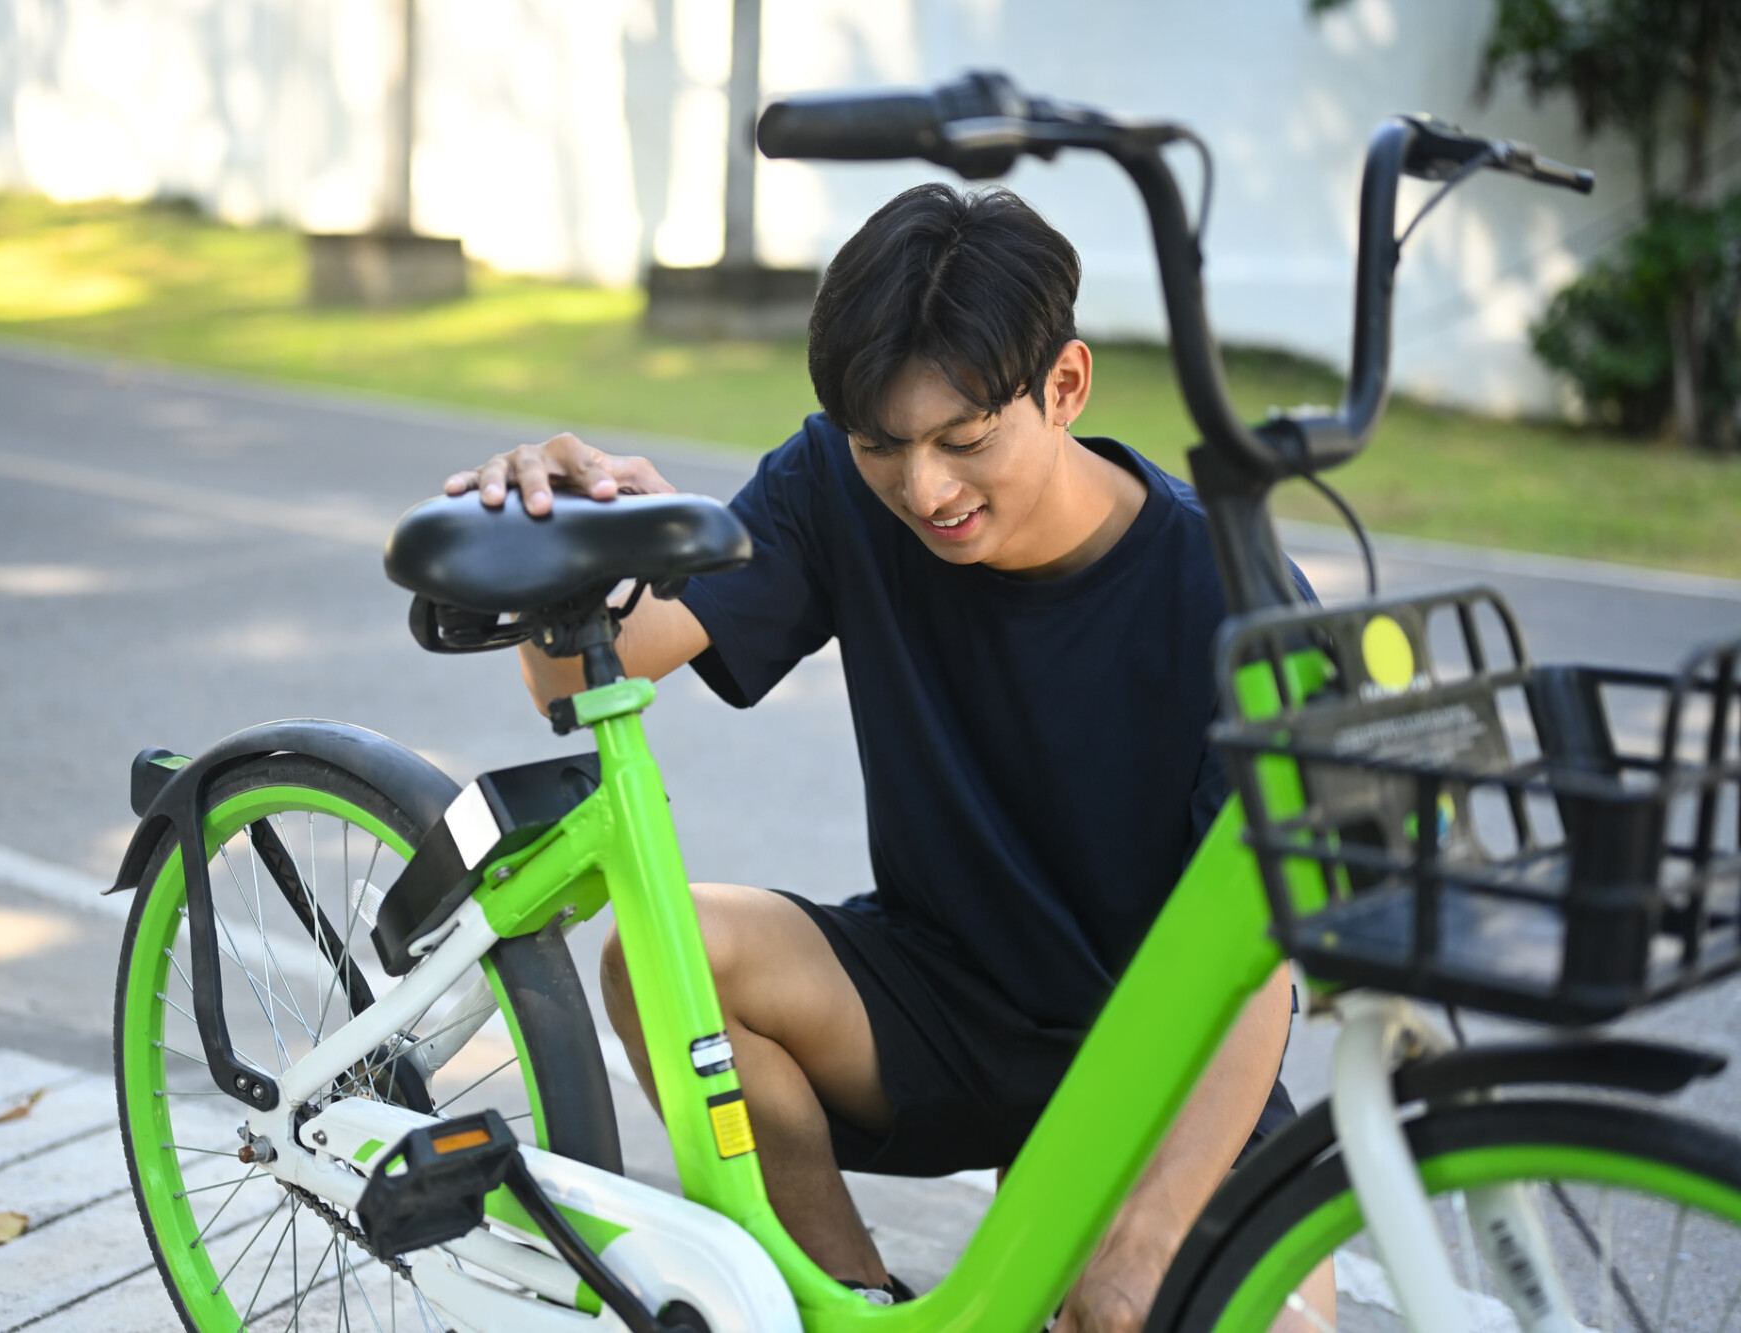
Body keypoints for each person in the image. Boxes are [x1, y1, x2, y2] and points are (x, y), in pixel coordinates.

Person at [445, 183, 1330, 1333]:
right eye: (883, 445)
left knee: (1210, 1314)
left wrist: (1145, 1241)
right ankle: (842, 1301)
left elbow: (1258, 963)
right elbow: (579, 678)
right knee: (672, 955)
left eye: (965, 440)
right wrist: (560, 535)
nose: (924, 490)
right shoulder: (833, 486)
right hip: (943, 1001)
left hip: (1162, 1052)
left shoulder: (1224, 593)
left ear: (1062, 387)